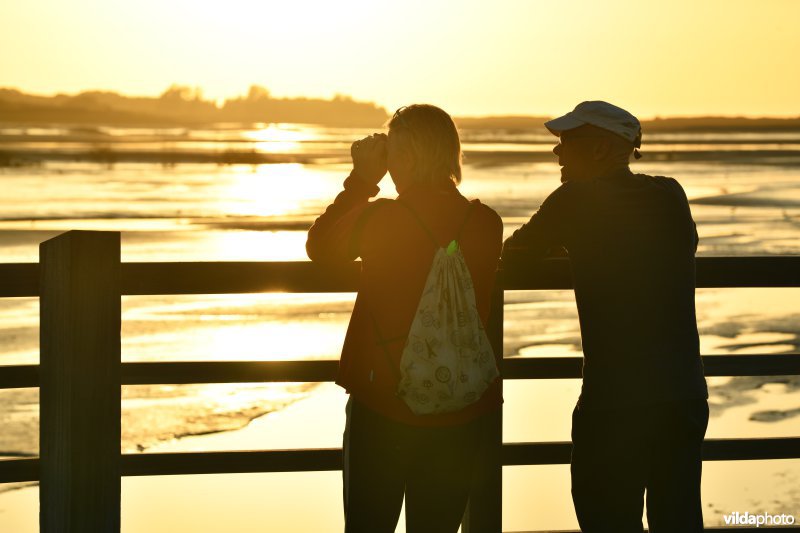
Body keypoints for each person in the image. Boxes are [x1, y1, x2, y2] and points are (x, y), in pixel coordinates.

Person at [502, 101, 709, 532]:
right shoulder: (671, 194)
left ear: (598, 150)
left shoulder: (576, 201)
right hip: (683, 394)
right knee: (679, 519)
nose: (557, 154)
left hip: (616, 401)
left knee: (606, 517)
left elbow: (514, 256)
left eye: (566, 143)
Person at [306, 104, 503, 533]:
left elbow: (321, 247)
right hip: (462, 407)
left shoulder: (383, 218)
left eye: (393, 152)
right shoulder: (486, 222)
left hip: (385, 405)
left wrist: (362, 180)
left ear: (409, 156)